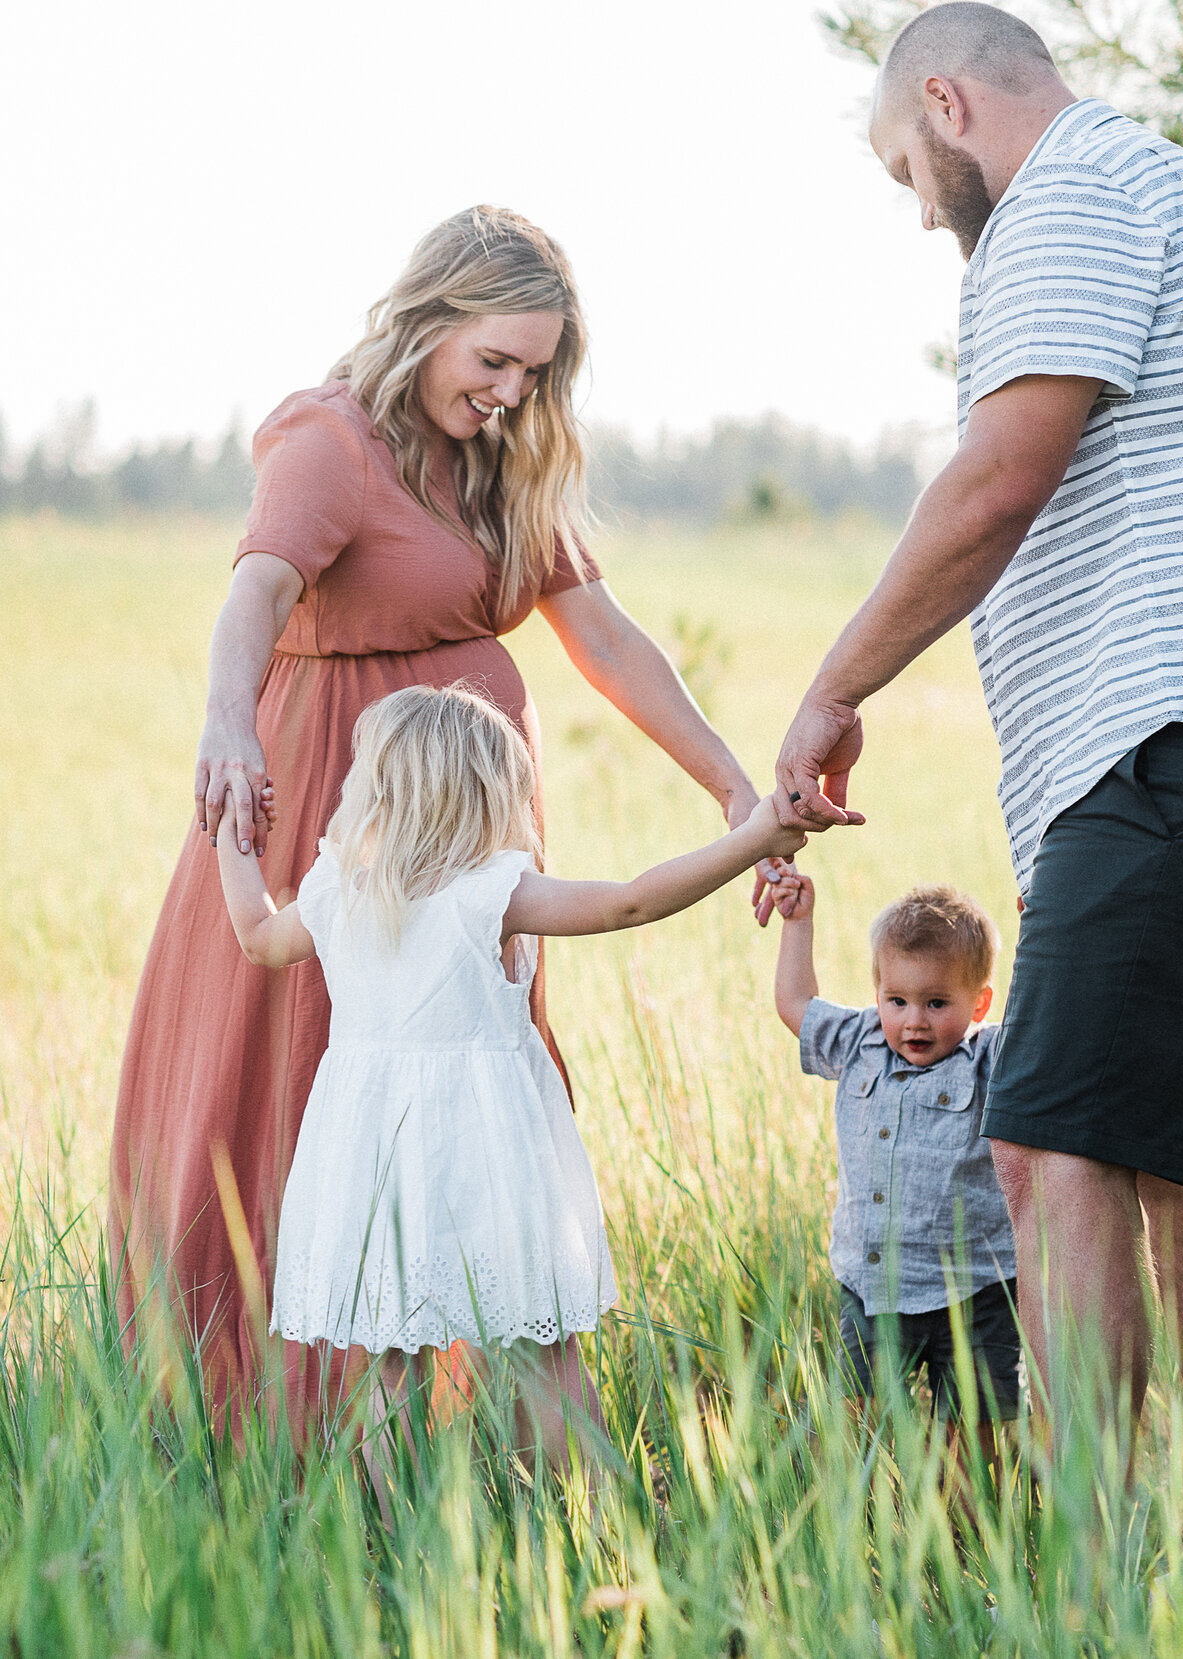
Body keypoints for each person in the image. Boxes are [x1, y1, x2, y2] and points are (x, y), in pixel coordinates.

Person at [112, 206, 778, 1427]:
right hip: (344, 792)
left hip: (473, 813)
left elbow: (610, 642)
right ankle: (274, 1401)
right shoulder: (331, 439)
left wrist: (735, 790)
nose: (513, 392)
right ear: (429, 320)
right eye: (493, 362)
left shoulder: (509, 459)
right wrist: (226, 721)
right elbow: (256, 588)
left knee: (467, 1069)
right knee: (321, 1065)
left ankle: (466, 1396)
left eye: (536, 370)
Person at [773, 1, 1183, 1473]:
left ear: (948, 103)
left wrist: (836, 682)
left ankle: (1098, 1545)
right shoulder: (1151, 185)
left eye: (907, 168)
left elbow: (998, 480)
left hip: (1157, 746)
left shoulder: (1073, 197)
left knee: (1046, 1147)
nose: (921, 213)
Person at [212, 685, 820, 1494]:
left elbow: (256, 934)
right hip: (487, 1146)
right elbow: (629, 899)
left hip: (374, 1153)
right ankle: (598, 1524)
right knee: (543, 1349)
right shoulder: (487, 892)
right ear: (489, 794)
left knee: (392, 1358)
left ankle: (402, 1544)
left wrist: (232, 828)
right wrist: (753, 840)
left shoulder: (337, 893)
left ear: (381, 791)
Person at [766, 874, 1021, 1469]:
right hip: (874, 1284)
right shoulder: (859, 1043)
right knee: (855, 1417)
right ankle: (857, 1520)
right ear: (878, 992)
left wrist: (1040, 935)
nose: (914, 1021)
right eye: (897, 1001)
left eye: (937, 1003)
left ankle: (963, 1539)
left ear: (979, 1003)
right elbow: (795, 1005)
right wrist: (798, 923)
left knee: (973, 1440)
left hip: (976, 1289)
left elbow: (1047, 1029)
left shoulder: (989, 1058)